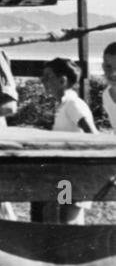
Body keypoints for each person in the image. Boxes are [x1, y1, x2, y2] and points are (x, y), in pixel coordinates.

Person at [42, 57, 95, 225]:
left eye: (48, 77)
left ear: (62, 80)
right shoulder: (63, 105)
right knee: (59, 214)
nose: (43, 81)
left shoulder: (73, 104)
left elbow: (93, 135)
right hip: (66, 174)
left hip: (76, 173)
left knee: (70, 219)